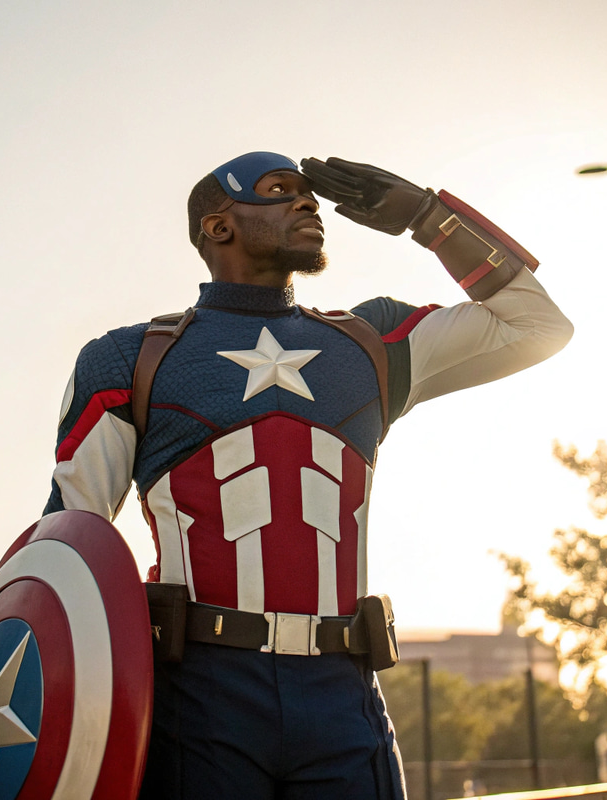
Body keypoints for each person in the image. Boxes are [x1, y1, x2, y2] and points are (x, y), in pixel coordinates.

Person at [43, 151, 573, 799]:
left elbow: (538, 326)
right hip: (197, 701)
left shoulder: (371, 341)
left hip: (344, 695)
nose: (307, 202)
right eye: (277, 190)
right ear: (218, 226)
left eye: (307, 193)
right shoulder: (130, 357)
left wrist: (427, 216)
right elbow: (66, 548)